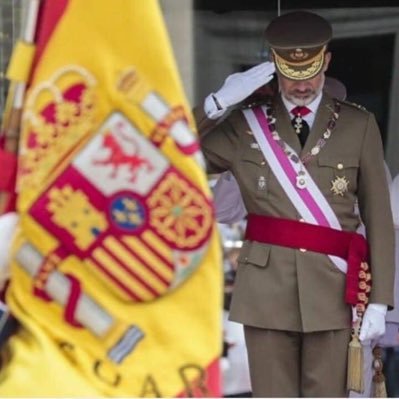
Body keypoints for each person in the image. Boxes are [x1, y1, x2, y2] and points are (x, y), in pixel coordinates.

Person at [196, 10, 395, 397]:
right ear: (273, 66)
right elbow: (173, 156)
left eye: (310, 75)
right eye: (290, 76)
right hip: (265, 291)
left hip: (334, 290)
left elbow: (379, 217)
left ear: (327, 63)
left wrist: (379, 301)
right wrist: (215, 105)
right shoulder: (244, 125)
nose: (301, 86)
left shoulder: (359, 125)